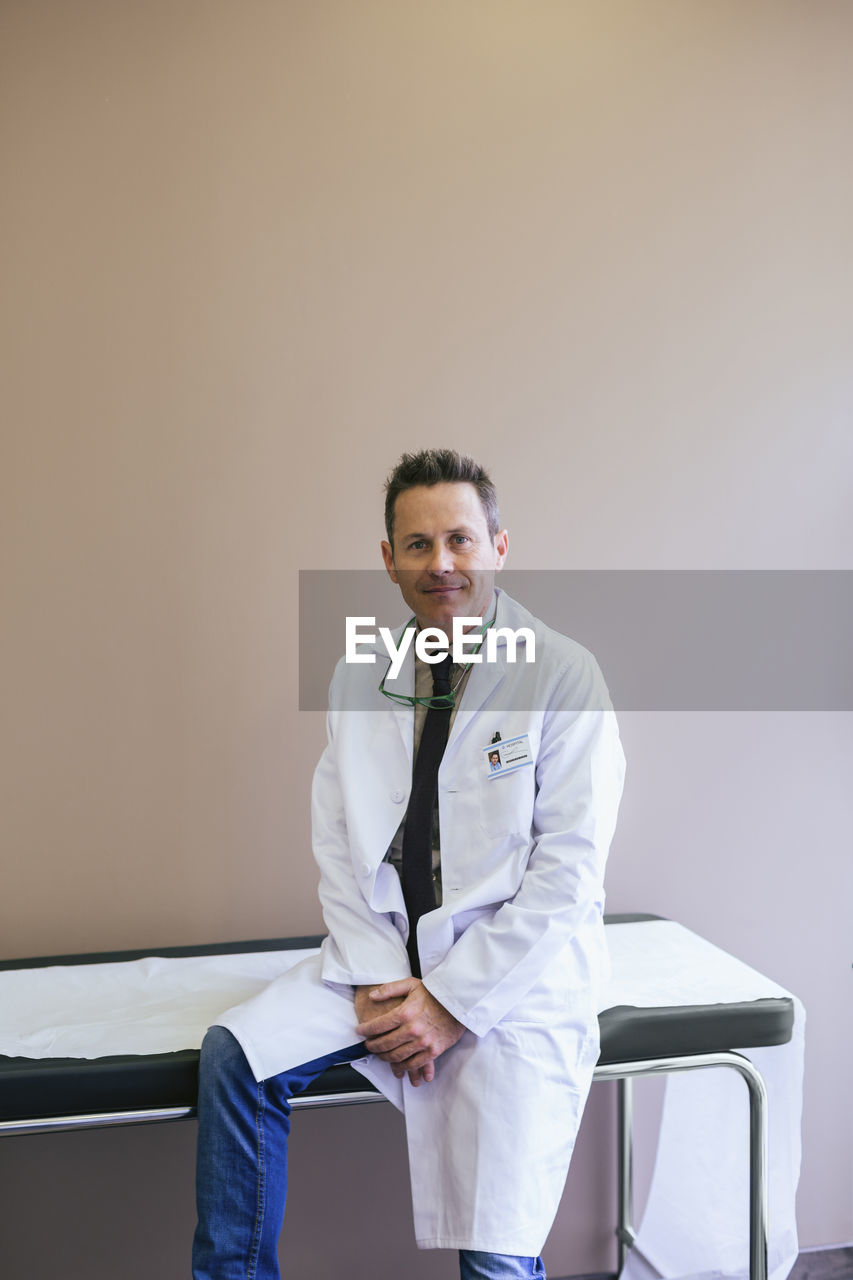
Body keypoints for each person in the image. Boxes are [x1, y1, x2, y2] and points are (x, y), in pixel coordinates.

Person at [192, 449, 625, 1280]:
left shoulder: (564, 675)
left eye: (460, 540)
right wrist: (379, 980)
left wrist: (452, 1003)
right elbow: (340, 844)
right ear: (387, 559)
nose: (442, 564)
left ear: (499, 546)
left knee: (496, 1251)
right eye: (418, 545)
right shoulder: (362, 674)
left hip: (512, 984)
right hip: (387, 959)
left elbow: (567, 876)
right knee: (236, 1058)